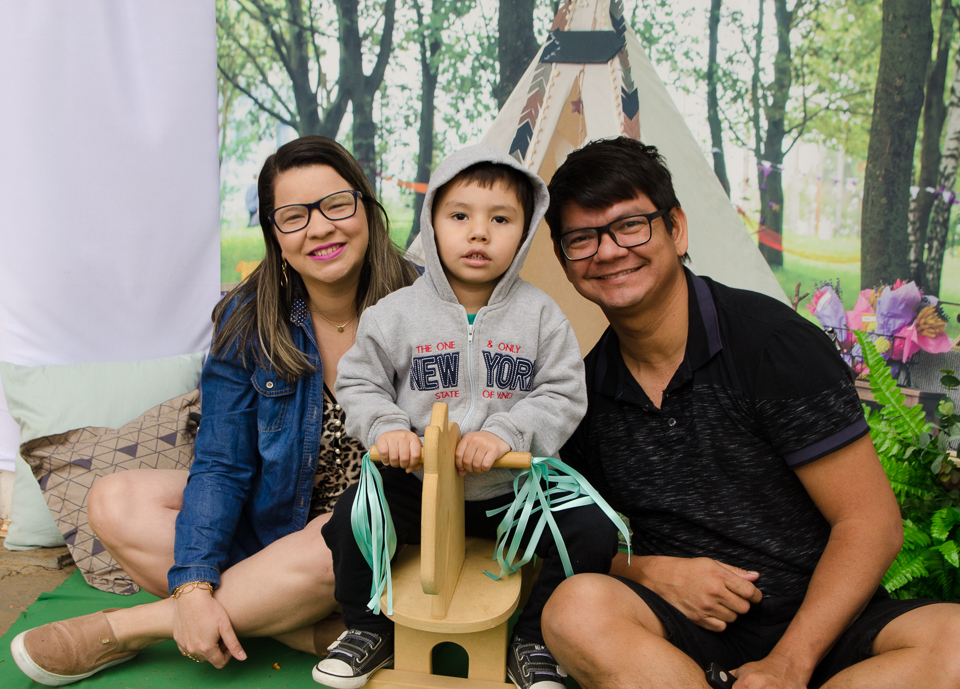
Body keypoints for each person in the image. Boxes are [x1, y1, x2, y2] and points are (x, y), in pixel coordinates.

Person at [538, 137, 960, 689]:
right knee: (574, 609)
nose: (610, 251)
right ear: (565, 262)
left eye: (631, 225)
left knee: (954, 641)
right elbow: (567, 537)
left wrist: (788, 664)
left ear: (676, 229)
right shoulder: (579, 392)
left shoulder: (773, 345)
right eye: (582, 239)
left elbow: (871, 524)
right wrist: (650, 571)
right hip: (684, 638)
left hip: (824, 627)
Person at [10, 136, 419, 686]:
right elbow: (222, 464)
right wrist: (194, 584)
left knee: (347, 529)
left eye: (336, 205)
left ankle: (132, 628)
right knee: (113, 500)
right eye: (294, 217)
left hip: (380, 543)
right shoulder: (250, 316)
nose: (320, 228)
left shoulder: (429, 302)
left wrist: (185, 598)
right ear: (275, 235)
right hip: (277, 526)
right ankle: (302, 626)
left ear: (366, 208)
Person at [315, 145, 619, 689]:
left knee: (590, 529)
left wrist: (507, 432)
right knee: (349, 522)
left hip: (515, 490)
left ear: (525, 232)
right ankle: (367, 629)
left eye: (500, 220)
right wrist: (388, 428)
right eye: (459, 216)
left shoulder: (542, 315)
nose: (479, 233)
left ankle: (535, 641)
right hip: (418, 484)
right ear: (431, 223)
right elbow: (358, 383)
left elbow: (564, 392)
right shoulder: (395, 314)